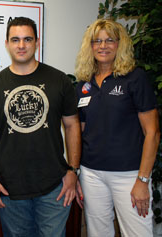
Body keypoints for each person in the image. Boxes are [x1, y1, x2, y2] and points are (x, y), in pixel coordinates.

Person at [0, 17, 81, 236]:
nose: (21, 45)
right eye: (15, 40)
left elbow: (72, 125)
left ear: (37, 42)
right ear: (6, 44)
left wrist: (73, 170)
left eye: (27, 39)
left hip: (54, 186)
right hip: (10, 188)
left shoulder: (59, 80)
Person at [74, 19, 160, 236]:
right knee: (98, 232)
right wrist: (76, 173)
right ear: (90, 46)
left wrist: (143, 179)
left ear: (119, 44)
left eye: (110, 40)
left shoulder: (135, 78)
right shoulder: (84, 85)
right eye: (97, 41)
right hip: (92, 174)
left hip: (129, 175)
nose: (103, 46)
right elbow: (80, 132)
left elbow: (153, 132)